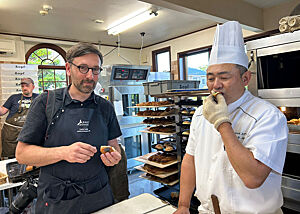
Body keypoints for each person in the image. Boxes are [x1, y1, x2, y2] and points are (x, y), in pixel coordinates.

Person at [174, 21, 288, 214]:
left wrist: (222, 123)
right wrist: (183, 205)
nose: (215, 85)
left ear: (245, 79)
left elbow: (253, 178)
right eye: (210, 78)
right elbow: (190, 159)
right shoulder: (201, 113)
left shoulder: (268, 116)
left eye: (224, 77)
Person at [16, 43, 123, 213]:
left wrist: (114, 157)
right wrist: (64, 153)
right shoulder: (46, 102)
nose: (90, 76)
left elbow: (114, 145)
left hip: (98, 194)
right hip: (57, 199)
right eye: (83, 68)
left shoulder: (105, 107)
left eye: (95, 70)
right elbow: (22, 154)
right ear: (68, 68)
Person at [0, 77, 38, 158]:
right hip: (11, 132)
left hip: (29, 132)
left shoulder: (38, 98)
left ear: (33, 87)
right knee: (11, 156)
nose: (24, 88)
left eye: (27, 85)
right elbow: (2, 111)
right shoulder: (13, 98)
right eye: (22, 86)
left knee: (29, 155)